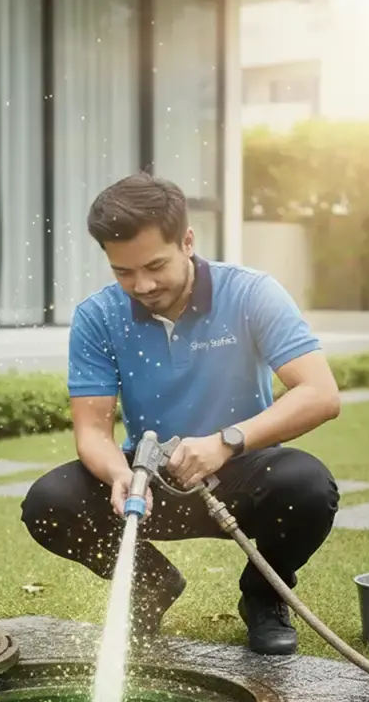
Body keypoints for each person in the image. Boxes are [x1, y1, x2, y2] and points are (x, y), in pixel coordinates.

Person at [20, 172, 342, 656]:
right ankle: (150, 583)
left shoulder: (251, 294)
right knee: (48, 502)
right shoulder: (98, 317)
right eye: (122, 272)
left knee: (308, 487)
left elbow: (320, 394)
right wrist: (116, 474)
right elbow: (91, 430)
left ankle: (263, 595)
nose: (142, 285)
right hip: (148, 483)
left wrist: (225, 442)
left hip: (240, 475)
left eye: (154, 266)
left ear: (187, 241)